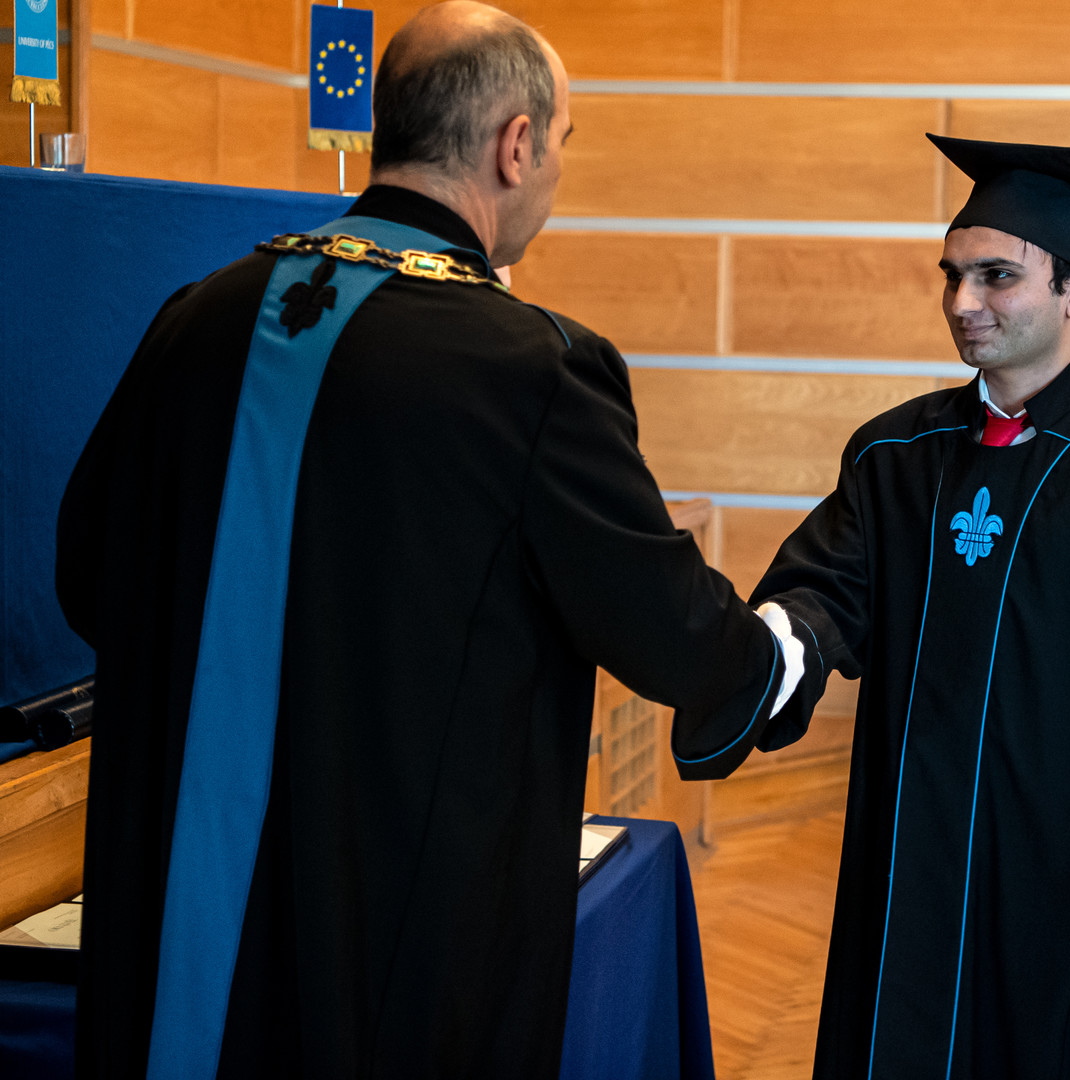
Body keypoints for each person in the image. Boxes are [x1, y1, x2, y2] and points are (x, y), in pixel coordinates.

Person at [54, 4, 799, 1077]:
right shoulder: (531, 368)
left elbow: (89, 578)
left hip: (178, 902)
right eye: (563, 140)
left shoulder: (196, 317)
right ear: (516, 144)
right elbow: (672, 632)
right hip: (393, 919)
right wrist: (780, 653)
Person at [723, 135, 1070, 1077]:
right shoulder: (896, 452)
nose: (963, 302)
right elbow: (825, 588)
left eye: (997, 276)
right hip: (916, 859)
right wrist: (775, 641)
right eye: (953, 276)